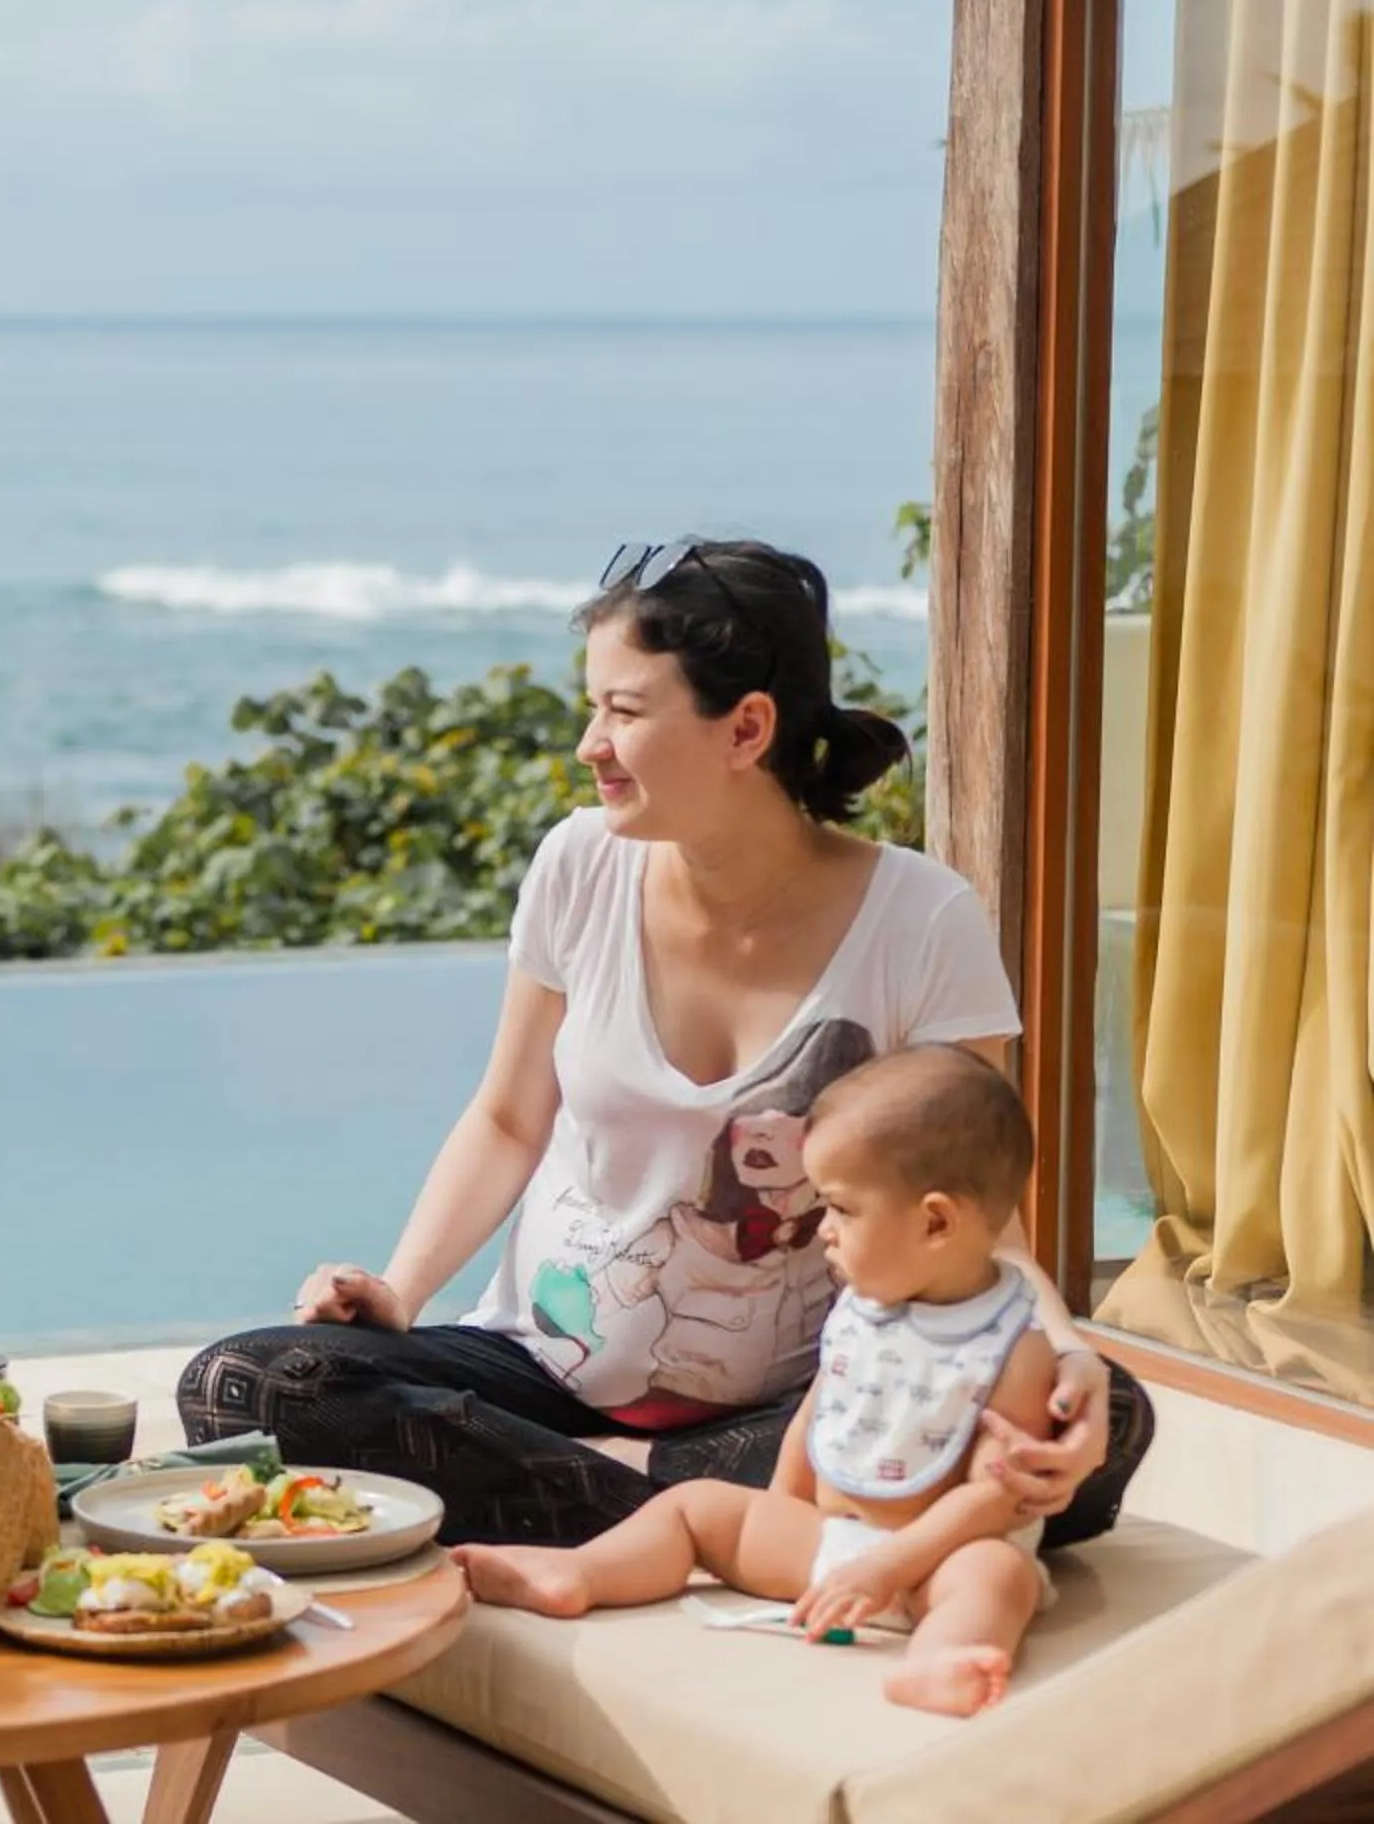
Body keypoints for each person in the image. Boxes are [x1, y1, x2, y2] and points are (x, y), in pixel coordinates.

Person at [178, 537, 1151, 1549]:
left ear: (747, 728)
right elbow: (509, 1117)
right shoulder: (576, 865)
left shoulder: (921, 919)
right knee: (244, 1387)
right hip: (539, 1379)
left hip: (803, 1407)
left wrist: (1062, 1349)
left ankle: (677, 1509)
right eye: (593, 707)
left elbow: (983, 1221)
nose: (590, 744)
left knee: (1107, 1419)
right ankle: (712, 1522)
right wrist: (399, 1290)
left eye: (625, 711)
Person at [456, 1046, 1059, 1718]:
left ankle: (942, 1657)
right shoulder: (864, 1309)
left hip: (934, 1565)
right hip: (827, 1543)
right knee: (696, 1506)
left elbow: (994, 1500)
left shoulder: (1015, 1349)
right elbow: (820, 1410)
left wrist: (892, 1567)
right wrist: (779, 1509)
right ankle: (581, 1572)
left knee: (997, 1577)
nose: (822, 1231)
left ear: (936, 1221)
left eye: (842, 1209)